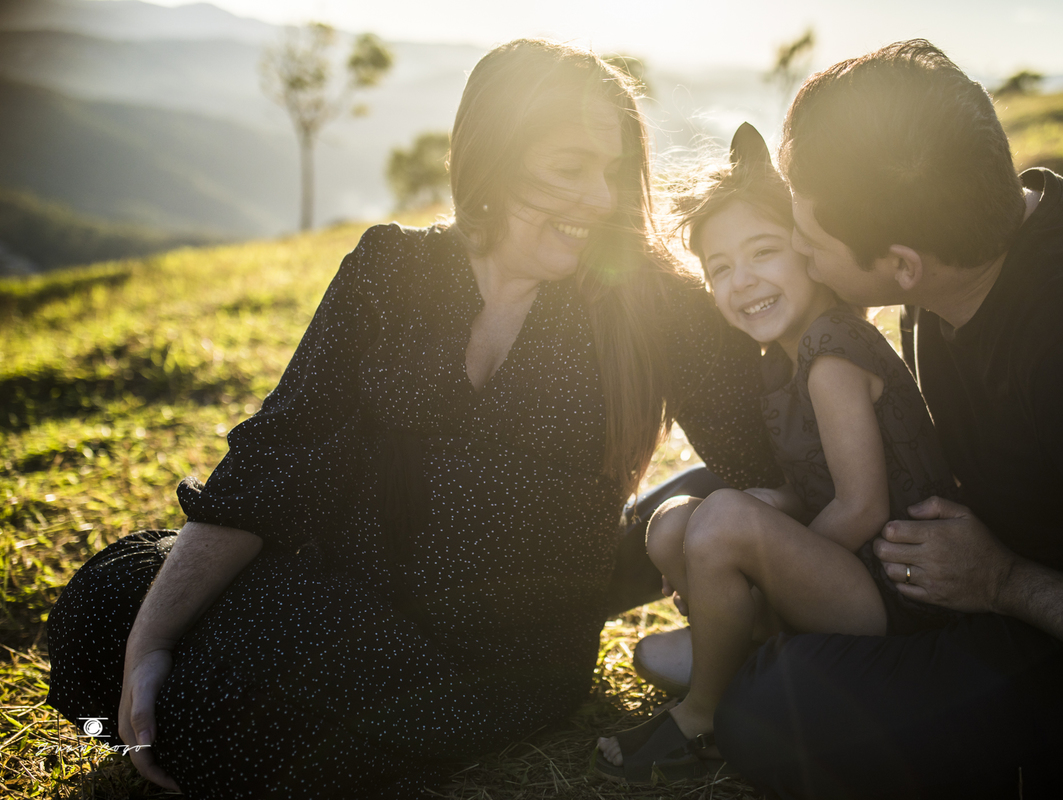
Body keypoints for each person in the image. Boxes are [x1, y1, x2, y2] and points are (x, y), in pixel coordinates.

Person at [45, 39, 781, 800]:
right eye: (571, 168)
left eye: (614, 170)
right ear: (492, 158)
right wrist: (153, 638)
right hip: (335, 583)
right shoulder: (391, 266)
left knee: (208, 716)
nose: (601, 197)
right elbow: (278, 450)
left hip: (495, 652)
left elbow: (767, 459)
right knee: (102, 611)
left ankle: (195, 706)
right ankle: (175, 681)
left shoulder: (651, 303)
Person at [712, 40, 1063, 799]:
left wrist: (1007, 581)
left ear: (902, 267)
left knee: (770, 709)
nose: (800, 257)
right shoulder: (976, 246)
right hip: (1025, 574)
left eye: (808, 242)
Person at [595, 122, 960, 783]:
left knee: (725, 520)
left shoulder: (830, 354)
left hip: (898, 588)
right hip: (855, 564)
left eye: (763, 252)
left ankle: (702, 717)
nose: (743, 282)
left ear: (808, 250)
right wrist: (777, 505)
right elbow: (823, 483)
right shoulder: (782, 359)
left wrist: (767, 557)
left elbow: (862, 504)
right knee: (677, 518)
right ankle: (734, 646)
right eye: (720, 269)